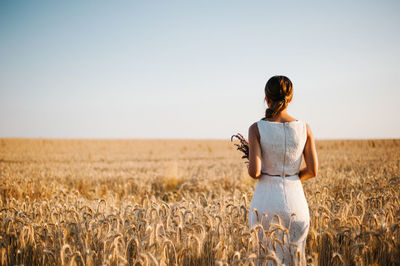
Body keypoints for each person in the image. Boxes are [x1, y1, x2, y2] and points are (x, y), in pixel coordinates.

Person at [247, 75, 318, 265]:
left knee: (265, 257)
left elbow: (255, 172)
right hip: (296, 202)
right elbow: (313, 170)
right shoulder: (305, 128)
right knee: (296, 258)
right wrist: (291, 177)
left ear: (266, 98)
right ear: (291, 98)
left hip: (266, 203)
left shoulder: (256, 128)